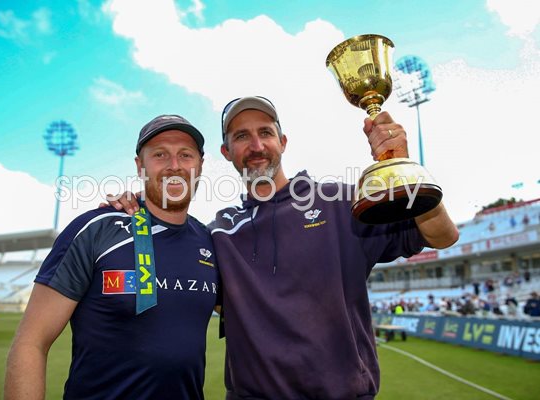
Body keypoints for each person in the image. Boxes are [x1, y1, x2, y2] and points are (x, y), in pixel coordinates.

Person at [107, 96, 459, 399]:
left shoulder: (339, 201)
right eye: (242, 136)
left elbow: (442, 236)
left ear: (283, 141)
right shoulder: (219, 233)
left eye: (265, 133)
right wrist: (138, 208)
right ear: (226, 152)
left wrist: (403, 166)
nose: (256, 146)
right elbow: (182, 262)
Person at [5, 115, 219, 400]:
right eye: (159, 155)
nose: (175, 166)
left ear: (200, 165)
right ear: (140, 166)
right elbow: (31, 343)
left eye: (185, 155)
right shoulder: (96, 229)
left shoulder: (210, 243)